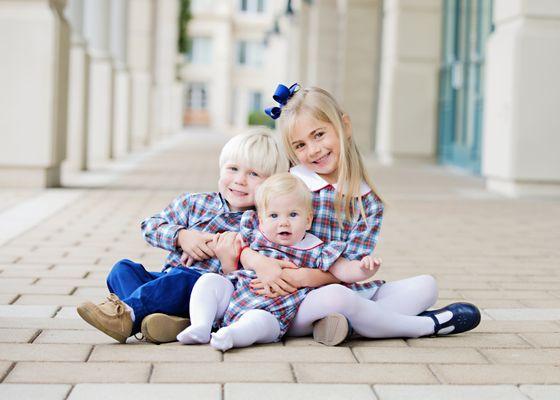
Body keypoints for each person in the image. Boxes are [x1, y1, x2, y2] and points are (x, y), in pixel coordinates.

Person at [240, 84, 481, 345]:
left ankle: (346, 325)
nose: (313, 150)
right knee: (338, 297)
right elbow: (248, 235)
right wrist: (261, 264)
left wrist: (306, 276)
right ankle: (423, 325)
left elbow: (349, 269)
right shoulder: (288, 184)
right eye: (300, 145)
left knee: (426, 286)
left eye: (319, 135)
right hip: (285, 300)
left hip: (341, 289)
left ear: (344, 126)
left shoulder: (368, 203)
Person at [76, 129, 289, 343]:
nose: (240, 180)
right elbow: (150, 226)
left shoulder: (262, 223)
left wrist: (227, 262)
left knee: (184, 278)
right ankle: (161, 321)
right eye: (233, 169)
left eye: (253, 174)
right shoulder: (194, 203)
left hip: (204, 294)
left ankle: (126, 316)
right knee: (122, 269)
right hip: (165, 284)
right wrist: (181, 236)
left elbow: (250, 279)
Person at [176, 173, 382, 351]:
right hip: (236, 294)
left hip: (275, 311)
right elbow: (224, 247)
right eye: (274, 215)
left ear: (308, 220)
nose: (283, 222)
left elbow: (343, 270)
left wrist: (363, 269)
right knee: (209, 280)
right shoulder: (253, 235)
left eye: (292, 214)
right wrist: (191, 241)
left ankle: (232, 336)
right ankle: (201, 326)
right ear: (261, 220)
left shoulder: (317, 248)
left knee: (257, 322)